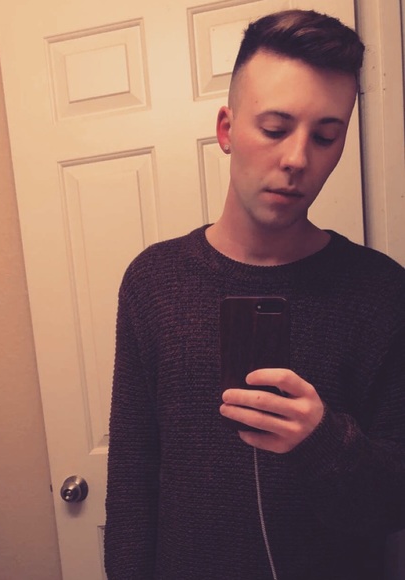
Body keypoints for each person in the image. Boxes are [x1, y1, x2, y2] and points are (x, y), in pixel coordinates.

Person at [104, 9, 405, 580]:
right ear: (226, 130)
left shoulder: (383, 293)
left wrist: (324, 442)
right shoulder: (153, 282)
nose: (297, 159)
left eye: (325, 136)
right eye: (274, 129)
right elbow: (132, 479)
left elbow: (395, 504)